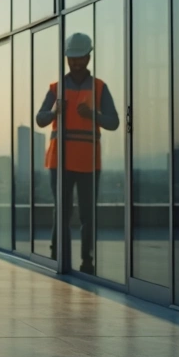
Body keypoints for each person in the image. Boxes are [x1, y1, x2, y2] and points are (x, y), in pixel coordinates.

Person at [34, 32, 119, 274]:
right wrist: (55, 112)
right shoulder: (56, 88)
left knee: (87, 214)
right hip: (59, 161)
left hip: (89, 162)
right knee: (61, 211)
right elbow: (40, 119)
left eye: (79, 58)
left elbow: (113, 122)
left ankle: (87, 261)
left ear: (88, 58)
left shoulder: (100, 88)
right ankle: (56, 255)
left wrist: (93, 115)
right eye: (72, 59)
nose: (75, 63)